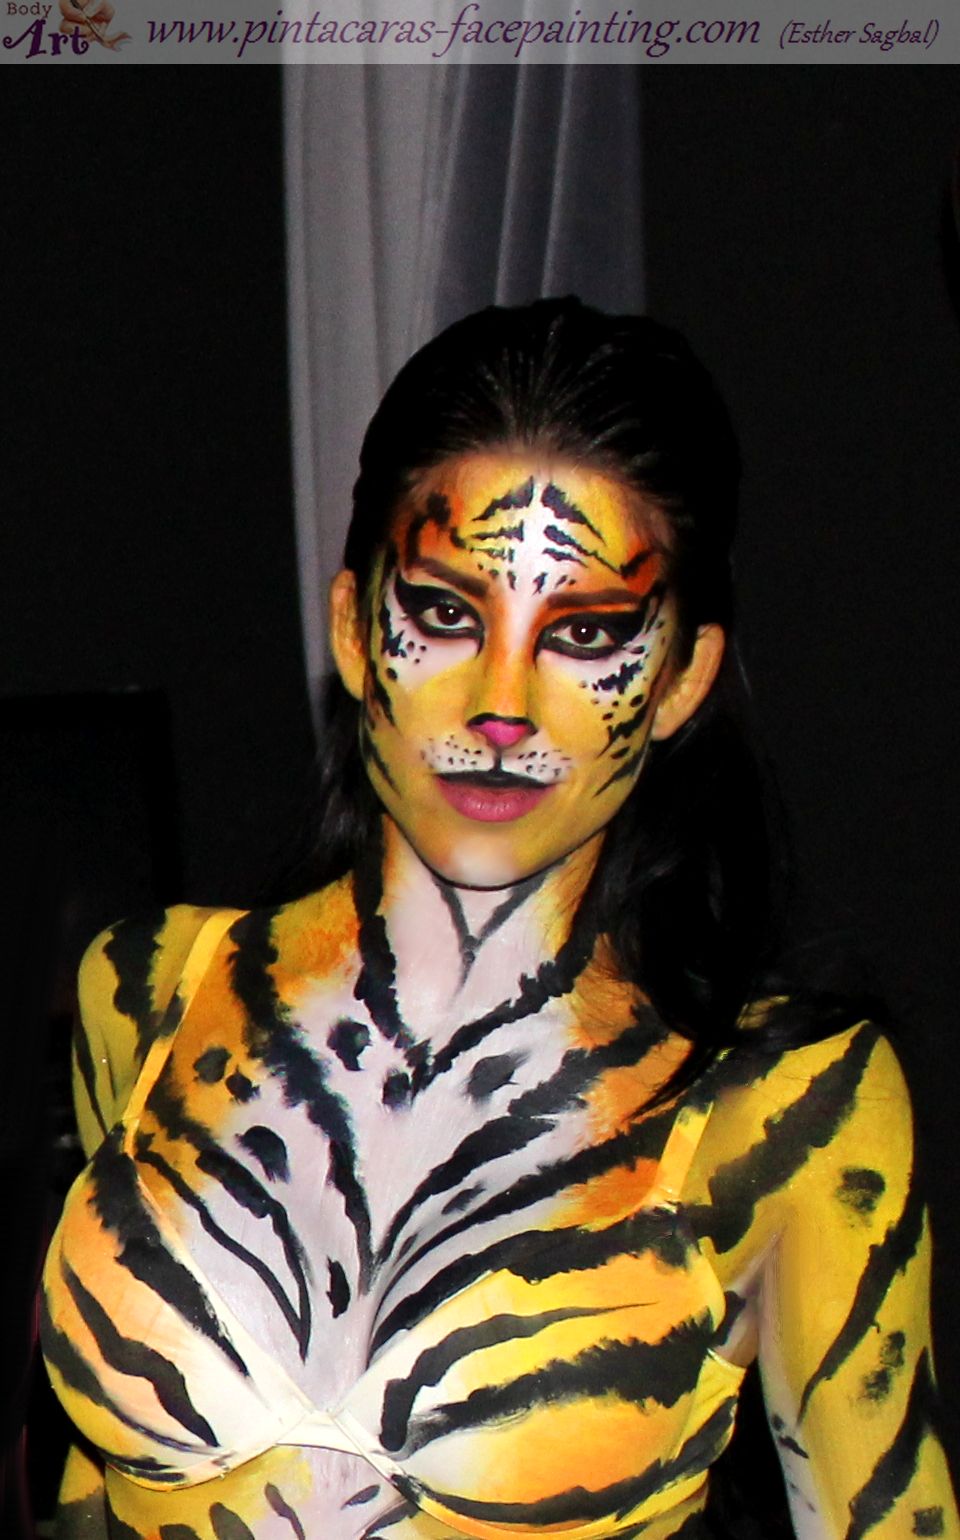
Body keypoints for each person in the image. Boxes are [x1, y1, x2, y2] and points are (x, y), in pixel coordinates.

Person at [42, 299, 956, 1540]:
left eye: (583, 634)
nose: (503, 704)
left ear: (682, 676)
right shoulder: (148, 990)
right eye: (446, 614)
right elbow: (92, 1489)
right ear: (354, 629)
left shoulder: (786, 1107)